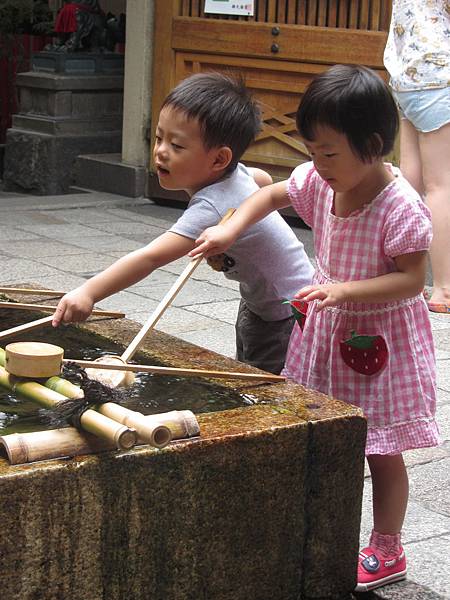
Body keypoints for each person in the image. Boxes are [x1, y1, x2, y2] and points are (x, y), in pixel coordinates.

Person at [190, 65, 440, 592]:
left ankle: (387, 547)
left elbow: (412, 281)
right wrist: (229, 226)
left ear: (372, 146)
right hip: (325, 331)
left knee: (379, 447)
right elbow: (269, 196)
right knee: (322, 423)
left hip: (378, 342)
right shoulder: (321, 181)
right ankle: (320, 520)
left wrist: (345, 291)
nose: (316, 165)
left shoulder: (401, 208)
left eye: (329, 153)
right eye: (311, 151)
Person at [52, 72, 314, 374]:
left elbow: (150, 258)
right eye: (159, 137)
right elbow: (262, 179)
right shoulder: (236, 175)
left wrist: (89, 293)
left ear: (218, 160)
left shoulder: (213, 205)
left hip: (286, 317)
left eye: (177, 146)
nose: (161, 151)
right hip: (270, 302)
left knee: (267, 387)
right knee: (250, 371)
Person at [384, 1, 450, 313]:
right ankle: (444, 288)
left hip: (406, 74)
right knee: (442, 185)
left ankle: (404, 276)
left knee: (411, 180)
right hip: (439, 73)